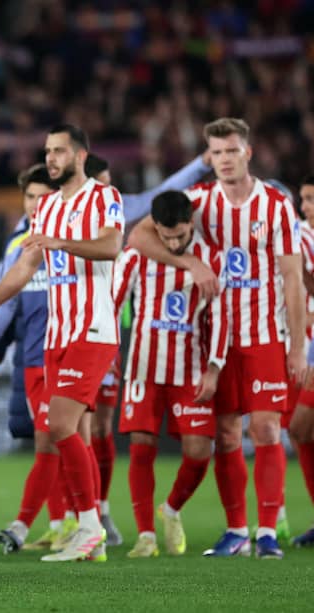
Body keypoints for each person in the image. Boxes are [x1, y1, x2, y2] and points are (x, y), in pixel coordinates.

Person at [127, 117, 306, 559]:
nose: (224, 160)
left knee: (265, 429)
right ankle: (237, 531)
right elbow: (139, 234)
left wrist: (298, 345)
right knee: (226, 435)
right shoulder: (199, 201)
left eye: (232, 151)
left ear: (248, 152)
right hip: (215, 342)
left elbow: (292, 278)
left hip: (265, 334)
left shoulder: (276, 206)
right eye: (217, 153)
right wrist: (192, 264)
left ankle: (267, 532)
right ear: (210, 157)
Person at [0, 124, 124, 562]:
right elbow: (23, 267)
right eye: (47, 151)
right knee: (73, 433)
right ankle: (89, 534)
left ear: (81, 156)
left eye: (59, 151)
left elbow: (111, 246)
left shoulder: (103, 197)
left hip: (92, 329)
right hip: (57, 335)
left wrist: (61, 242)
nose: (51, 158)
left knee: (59, 426)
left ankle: (89, 525)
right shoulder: (46, 207)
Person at [0, 164, 77, 553]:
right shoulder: (21, 245)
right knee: (50, 443)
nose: (34, 205)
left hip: (68, 356)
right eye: (29, 197)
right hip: (32, 359)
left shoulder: (76, 241)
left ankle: (30, 524)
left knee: (59, 441)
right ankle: (68, 522)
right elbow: (6, 299)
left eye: (42, 197)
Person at [114, 190, 228, 557]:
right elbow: (113, 303)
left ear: (191, 224)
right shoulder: (136, 256)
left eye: (180, 235)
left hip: (190, 369)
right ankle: (146, 535)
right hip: (143, 368)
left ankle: (172, 508)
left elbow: (221, 317)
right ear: (156, 228)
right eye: (167, 236)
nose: (175, 243)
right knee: (141, 446)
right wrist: (109, 349)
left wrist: (214, 368)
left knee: (199, 452)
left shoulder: (210, 259)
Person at [289, 174, 314, 547]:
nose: (305, 206)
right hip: (308, 348)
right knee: (301, 430)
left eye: (311, 199)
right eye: (303, 199)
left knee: (300, 427)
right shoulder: (301, 234)